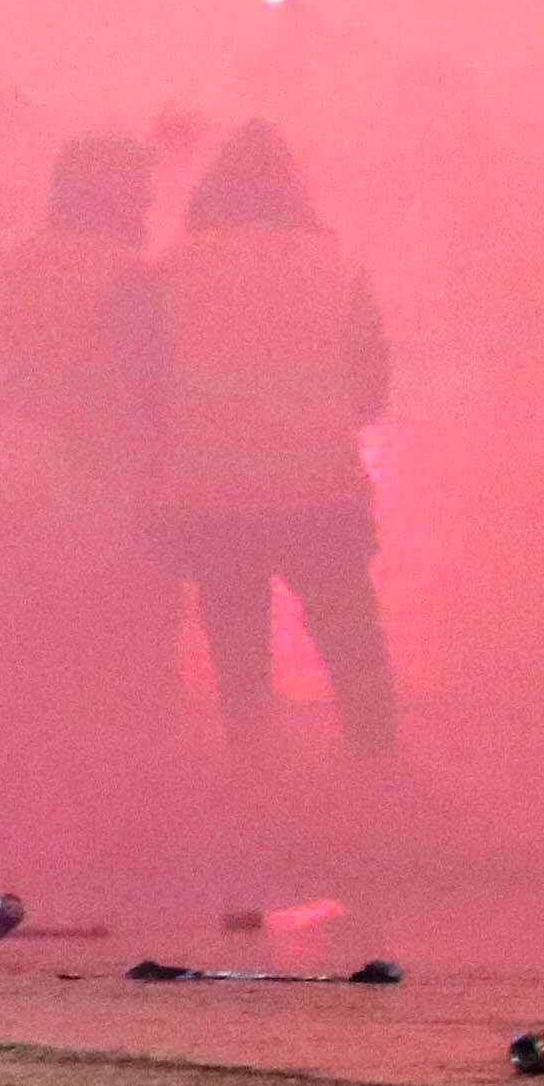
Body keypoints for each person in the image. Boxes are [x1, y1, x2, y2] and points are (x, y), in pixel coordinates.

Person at [154, 118, 397, 757]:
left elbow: (149, 383)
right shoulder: (338, 265)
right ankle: (380, 781)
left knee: (238, 655)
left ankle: (256, 795)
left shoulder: (173, 270)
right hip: (319, 484)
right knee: (352, 646)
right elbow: (373, 390)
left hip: (212, 491)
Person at [0, 134, 179, 750]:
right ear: (110, 200)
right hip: (105, 502)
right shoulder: (130, 277)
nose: (145, 211)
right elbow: (155, 397)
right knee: (126, 689)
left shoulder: (9, 267)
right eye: (139, 197)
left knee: (27, 687)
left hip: (6, 495)